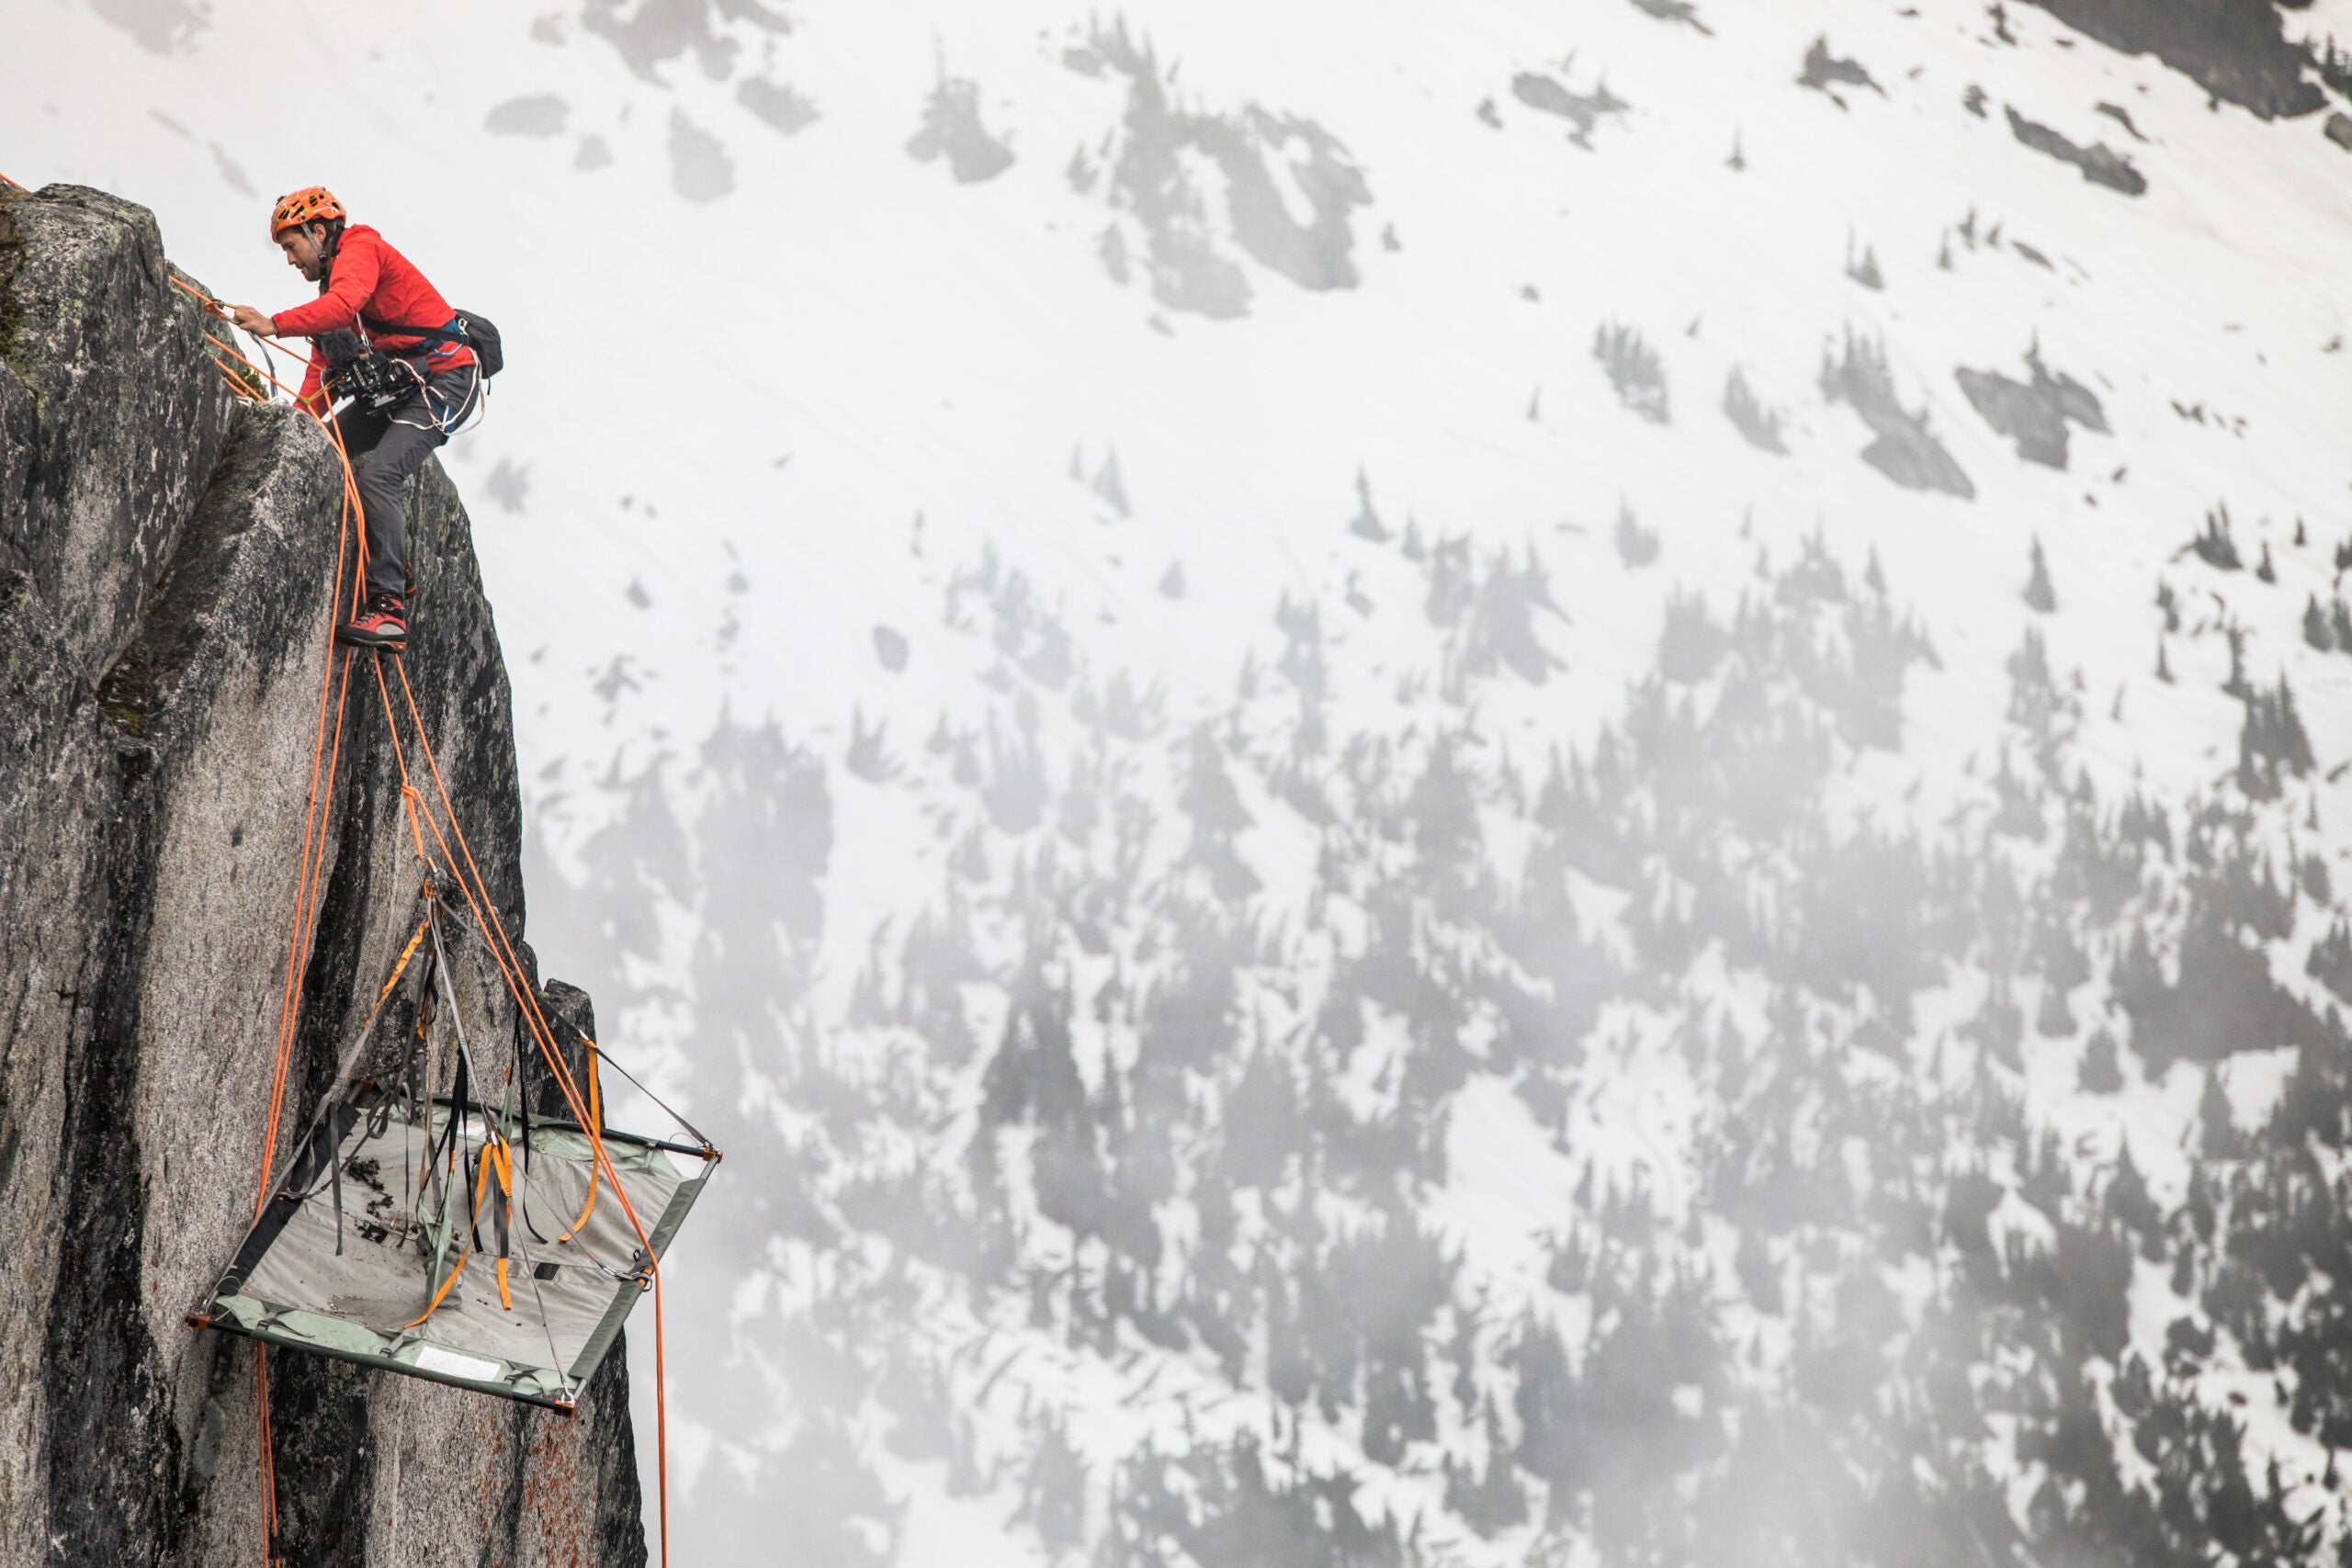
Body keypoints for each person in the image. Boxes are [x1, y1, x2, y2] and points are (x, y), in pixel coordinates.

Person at [230, 186, 479, 648]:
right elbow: (323, 362)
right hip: (407, 384)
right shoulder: (336, 280)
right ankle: (396, 567)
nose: (289, 259)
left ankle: (389, 611)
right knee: (327, 446)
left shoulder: (360, 250)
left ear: (318, 231)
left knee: (380, 474)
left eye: (291, 246)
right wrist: (299, 423)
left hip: (447, 380)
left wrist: (273, 324)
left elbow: (342, 308)